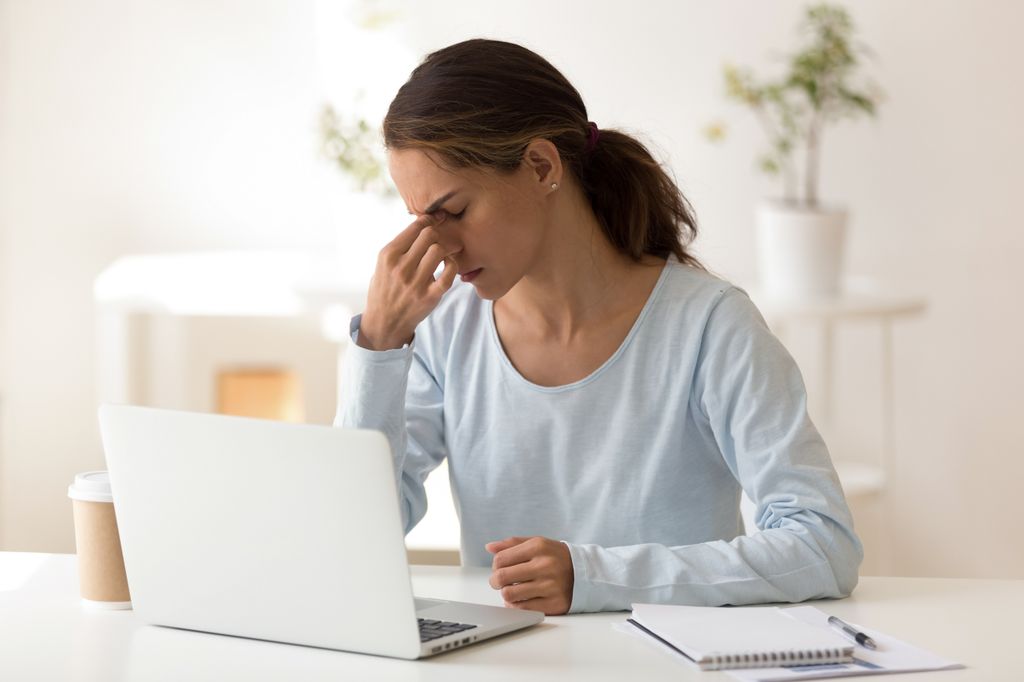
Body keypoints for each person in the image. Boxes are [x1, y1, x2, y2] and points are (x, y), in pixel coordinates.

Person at [336, 38, 862, 615]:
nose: (440, 245)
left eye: (454, 212)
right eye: (421, 220)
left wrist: (595, 576)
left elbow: (821, 543)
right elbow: (350, 535)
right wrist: (379, 348)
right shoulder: (445, 331)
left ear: (541, 167)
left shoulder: (709, 326)